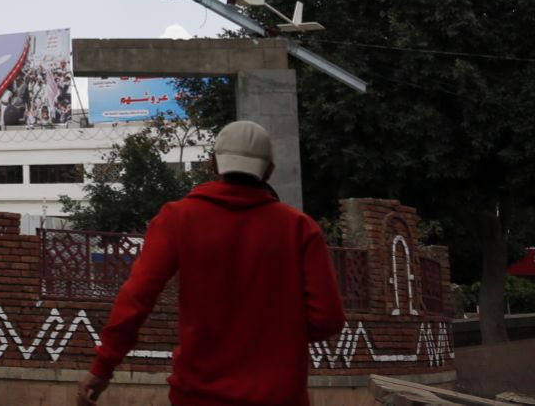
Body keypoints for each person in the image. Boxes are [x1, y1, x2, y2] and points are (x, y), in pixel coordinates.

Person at [77, 121, 345, 406]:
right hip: (280, 397)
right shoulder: (300, 229)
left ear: (213, 164)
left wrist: (103, 367)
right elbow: (327, 319)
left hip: (197, 396)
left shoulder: (178, 219)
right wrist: (278, 337)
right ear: (268, 171)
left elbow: (136, 298)